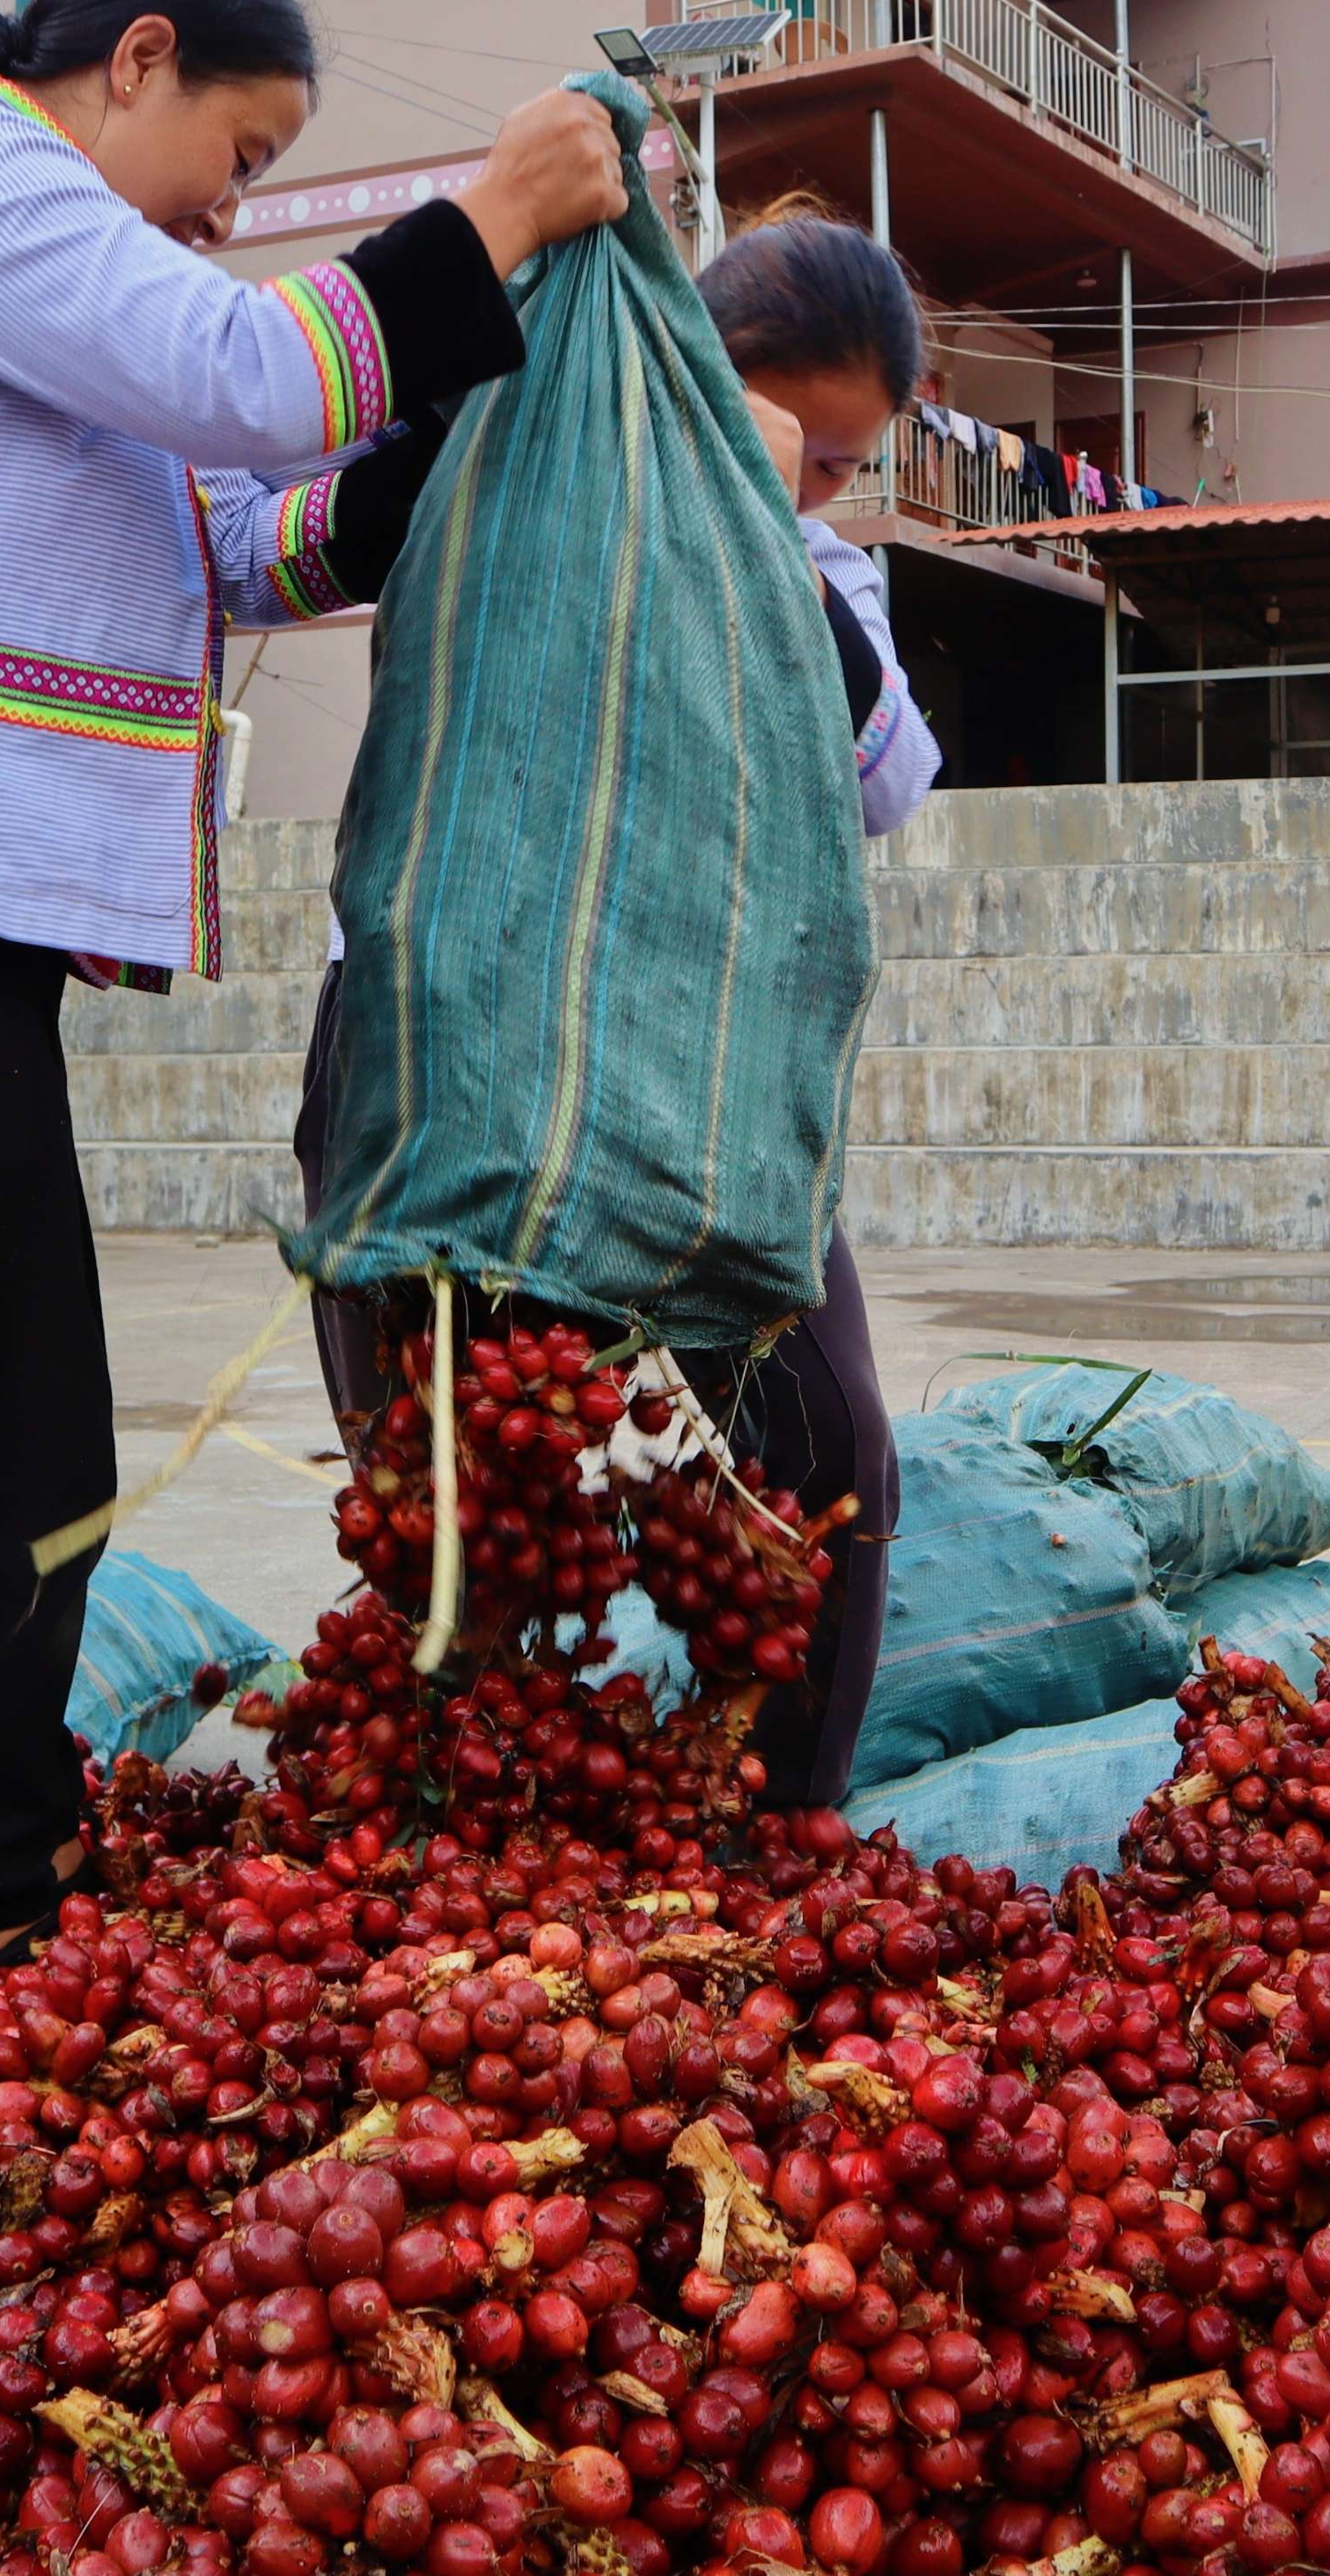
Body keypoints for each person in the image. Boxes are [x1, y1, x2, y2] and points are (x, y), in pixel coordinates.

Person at [0, 0, 625, 1941]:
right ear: (138, 59)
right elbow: (249, 377)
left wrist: (443, 443)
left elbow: (252, 546)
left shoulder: (73, 298)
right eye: (239, 156)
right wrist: (499, 211)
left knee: (17, 1432)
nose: (228, 212)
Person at [290, 203, 937, 1804]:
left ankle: (781, 1819)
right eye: (805, 446)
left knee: (824, 1445)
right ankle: (463, 1858)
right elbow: (291, 534)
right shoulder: (508, 461)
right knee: (455, 1492)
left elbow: (886, 779)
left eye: (844, 464)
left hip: (694, 1083)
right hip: (443, 1060)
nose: (823, 485)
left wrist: (764, 514)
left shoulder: (816, 562)